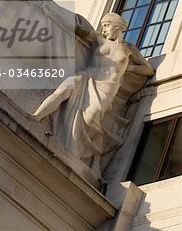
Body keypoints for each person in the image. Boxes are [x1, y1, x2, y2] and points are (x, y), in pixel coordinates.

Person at [32, 12, 154, 178]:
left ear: (117, 27)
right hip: (87, 76)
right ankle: (36, 116)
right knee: (62, 91)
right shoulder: (99, 39)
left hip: (106, 88)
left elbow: (147, 69)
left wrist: (129, 69)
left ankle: (78, 153)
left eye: (107, 25)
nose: (103, 29)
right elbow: (80, 26)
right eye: (102, 26)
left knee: (91, 116)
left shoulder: (128, 49)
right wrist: (53, 14)